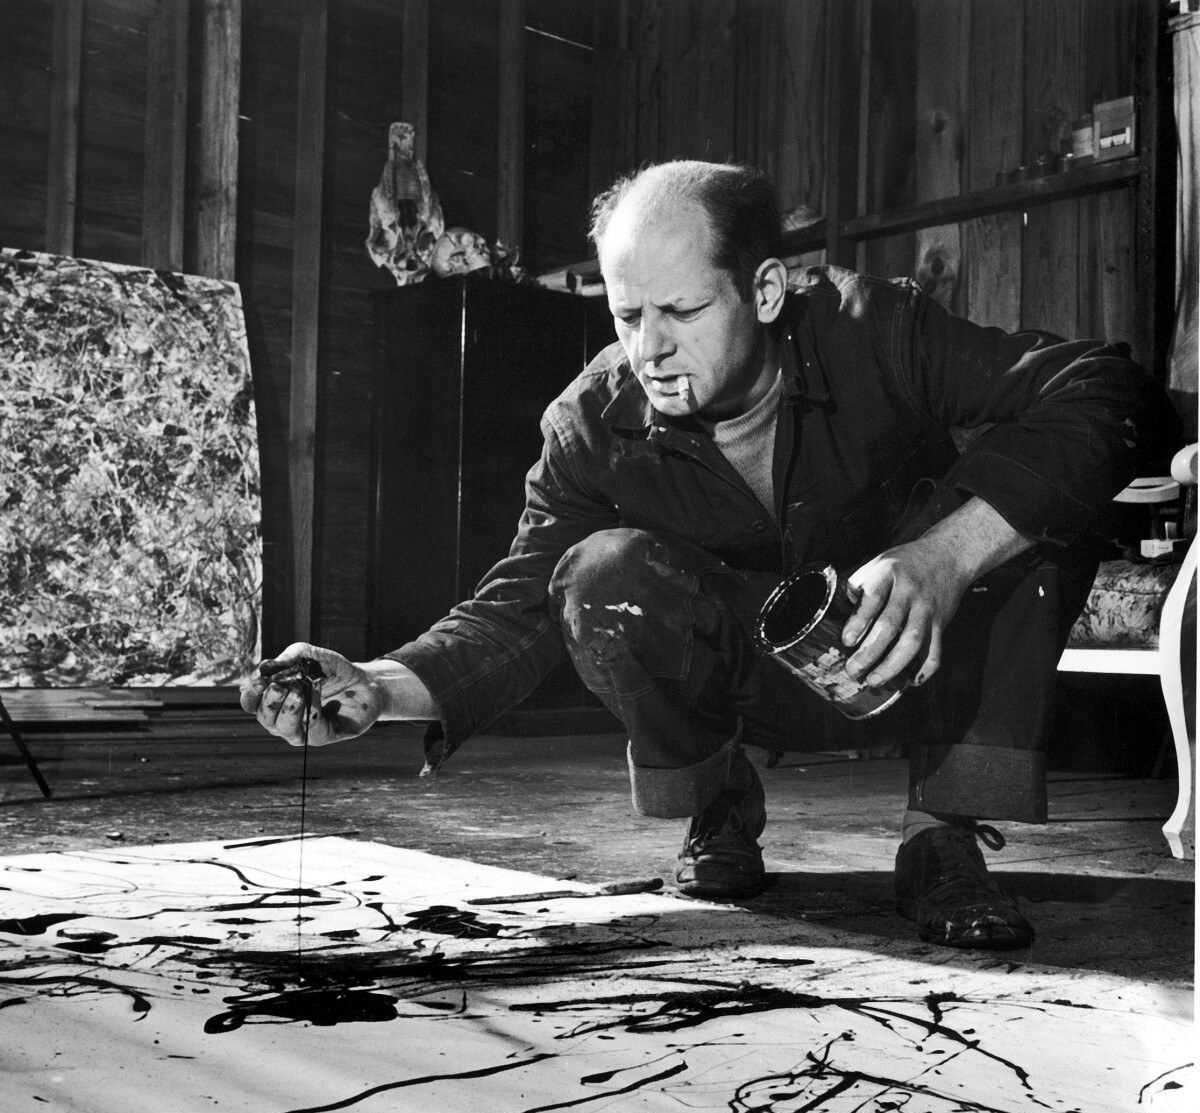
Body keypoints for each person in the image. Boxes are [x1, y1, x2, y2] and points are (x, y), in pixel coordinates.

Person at [242, 160, 1170, 952]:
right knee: (597, 574)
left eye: (682, 311)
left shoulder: (873, 326)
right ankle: (719, 802)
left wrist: (947, 555)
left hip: (920, 659)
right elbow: (516, 604)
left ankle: (941, 834)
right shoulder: (588, 422)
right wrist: (374, 687)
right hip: (752, 687)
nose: (649, 349)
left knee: (1039, 504)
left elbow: (1105, 388)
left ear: (764, 291)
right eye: (626, 315)